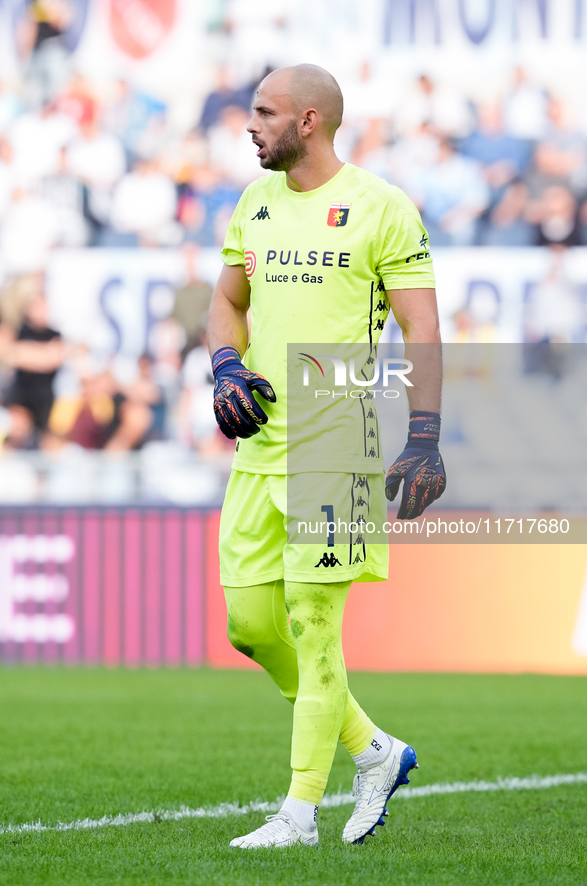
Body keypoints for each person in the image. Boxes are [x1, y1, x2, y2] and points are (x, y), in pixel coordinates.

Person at [206, 64, 445, 849]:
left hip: (338, 445)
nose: (251, 124)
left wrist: (424, 436)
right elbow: (227, 300)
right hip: (258, 447)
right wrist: (224, 365)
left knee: (313, 627)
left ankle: (297, 814)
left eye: (265, 112)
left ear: (309, 121)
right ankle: (373, 751)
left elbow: (421, 330)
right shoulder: (254, 201)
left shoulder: (381, 208)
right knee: (250, 627)